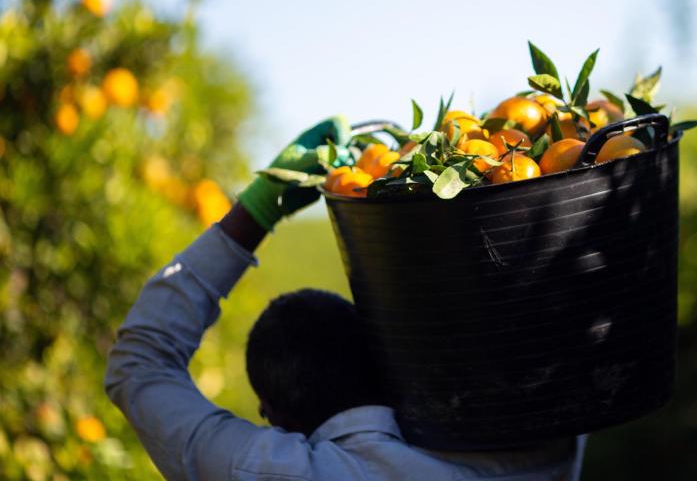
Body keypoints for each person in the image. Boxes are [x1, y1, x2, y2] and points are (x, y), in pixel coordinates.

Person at [104, 117, 586, 481]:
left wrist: (257, 208)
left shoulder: (284, 472)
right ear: (385, 362)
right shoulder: (538, 447)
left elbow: (138, 364)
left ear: (275, 417)